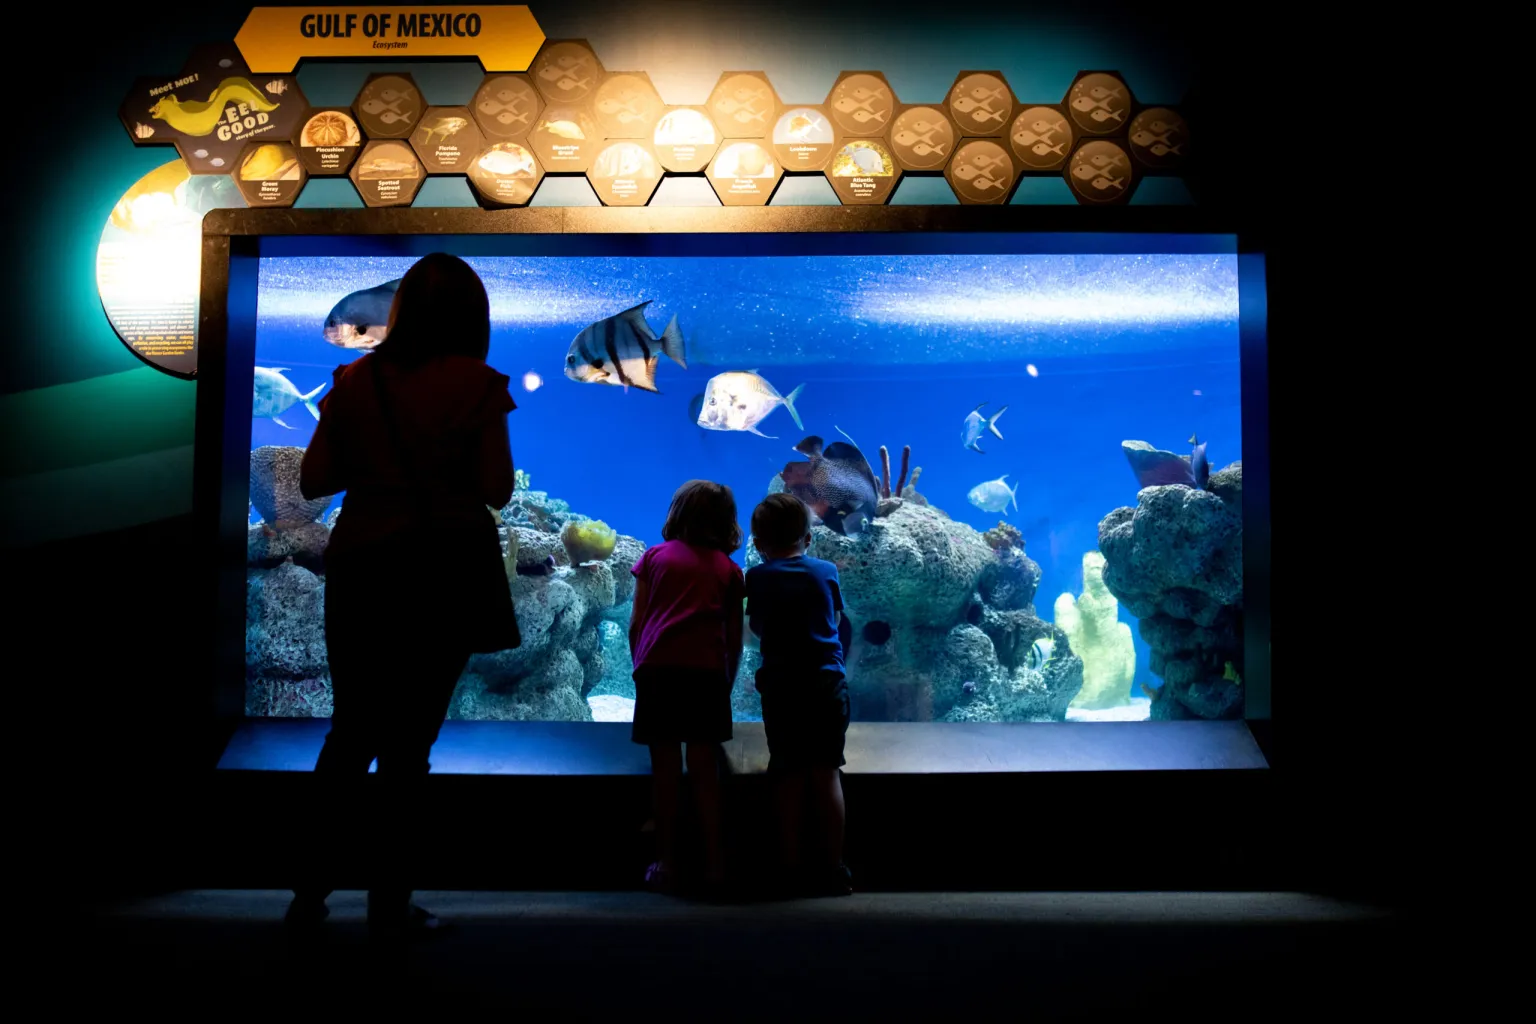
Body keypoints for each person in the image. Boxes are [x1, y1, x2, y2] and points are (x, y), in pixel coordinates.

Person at [288, 252, 521, 936]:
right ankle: (389, 902)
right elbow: (499, 489)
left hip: (365, 561)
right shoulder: (478, 386)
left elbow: (314, 478)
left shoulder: (354, 381)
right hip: (445, 565)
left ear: (400, 312)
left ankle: (309, 894)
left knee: (351, 732)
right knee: (410, 744)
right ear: (473, 317)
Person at [628, 480, 745, 896]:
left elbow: (637, 622)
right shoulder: (730, 570)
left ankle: (667, 863)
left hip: (658, 672)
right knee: (704, 772)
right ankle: (714, 864)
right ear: (726, 522)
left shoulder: (654, 557)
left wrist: (640, 668)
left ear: (677, 513)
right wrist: (726, 683)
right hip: (706, 676)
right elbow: (734, 638)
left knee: (664, 772)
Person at [745, 493, 852, 897]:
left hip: (782, 686)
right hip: (827, 684)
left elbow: (757, 626)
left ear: (758, 544)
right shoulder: (826, 571)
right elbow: (835, 619)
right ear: (808, 538)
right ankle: (832, 868)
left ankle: (787, 867)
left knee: (787, 772)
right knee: (826, 772)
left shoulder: (756, 577)